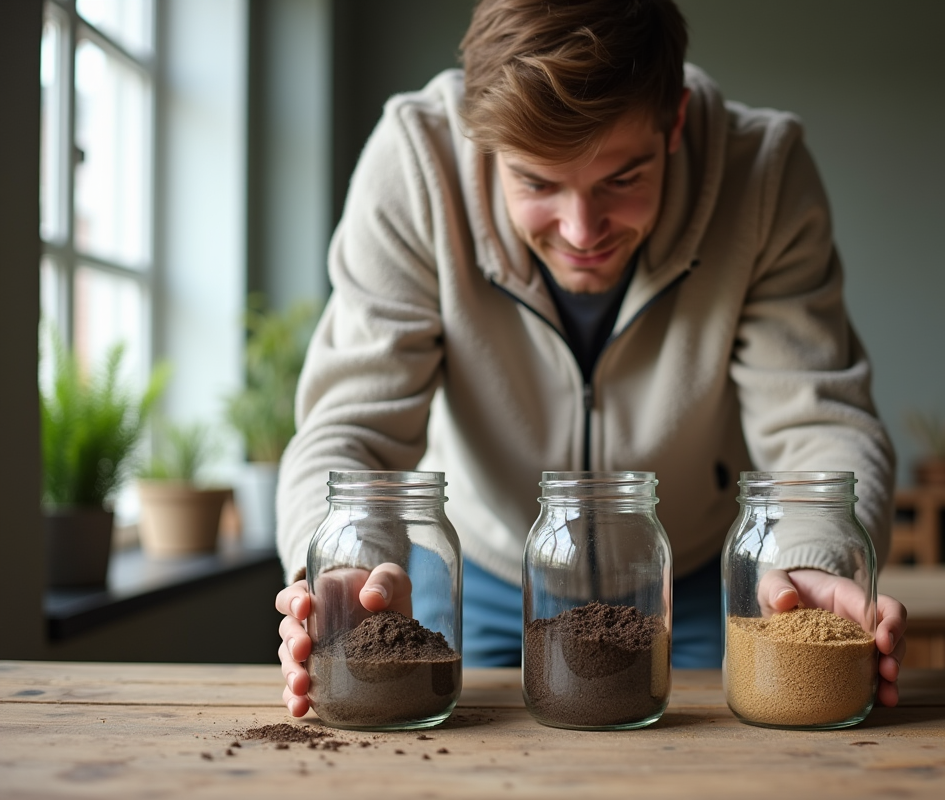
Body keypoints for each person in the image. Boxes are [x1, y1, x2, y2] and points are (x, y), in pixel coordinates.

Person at [274, 0, 906, 718]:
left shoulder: (762, 174)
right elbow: (351, 425)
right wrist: (343, 571)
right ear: (483, 144)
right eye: (538, 184)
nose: (582, 231)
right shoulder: (415, 164)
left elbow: (816, 417)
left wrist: (811, 562)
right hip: (484, 571)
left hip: (690, 579)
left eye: (622, 179)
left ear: (675, 122)